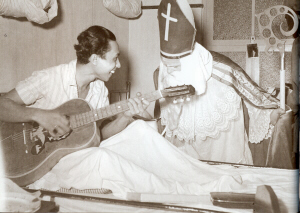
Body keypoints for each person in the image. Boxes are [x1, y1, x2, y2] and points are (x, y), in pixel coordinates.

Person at [154, 0, 286, 164]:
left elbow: (253, 102)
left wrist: (271, 115)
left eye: (178, 66)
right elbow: (163, 123)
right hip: (184, 166)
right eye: (169, 66)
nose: (173, 72)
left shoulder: (224, 70)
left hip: (226, 161)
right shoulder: (163, 75)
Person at [0, 25, 151, 141]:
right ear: (95, 59)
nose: (118, 65)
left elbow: (100, 134)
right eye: (114, 58)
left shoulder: (100, 90)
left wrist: (125, 116)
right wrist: (39, 115)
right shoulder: (50, 78)